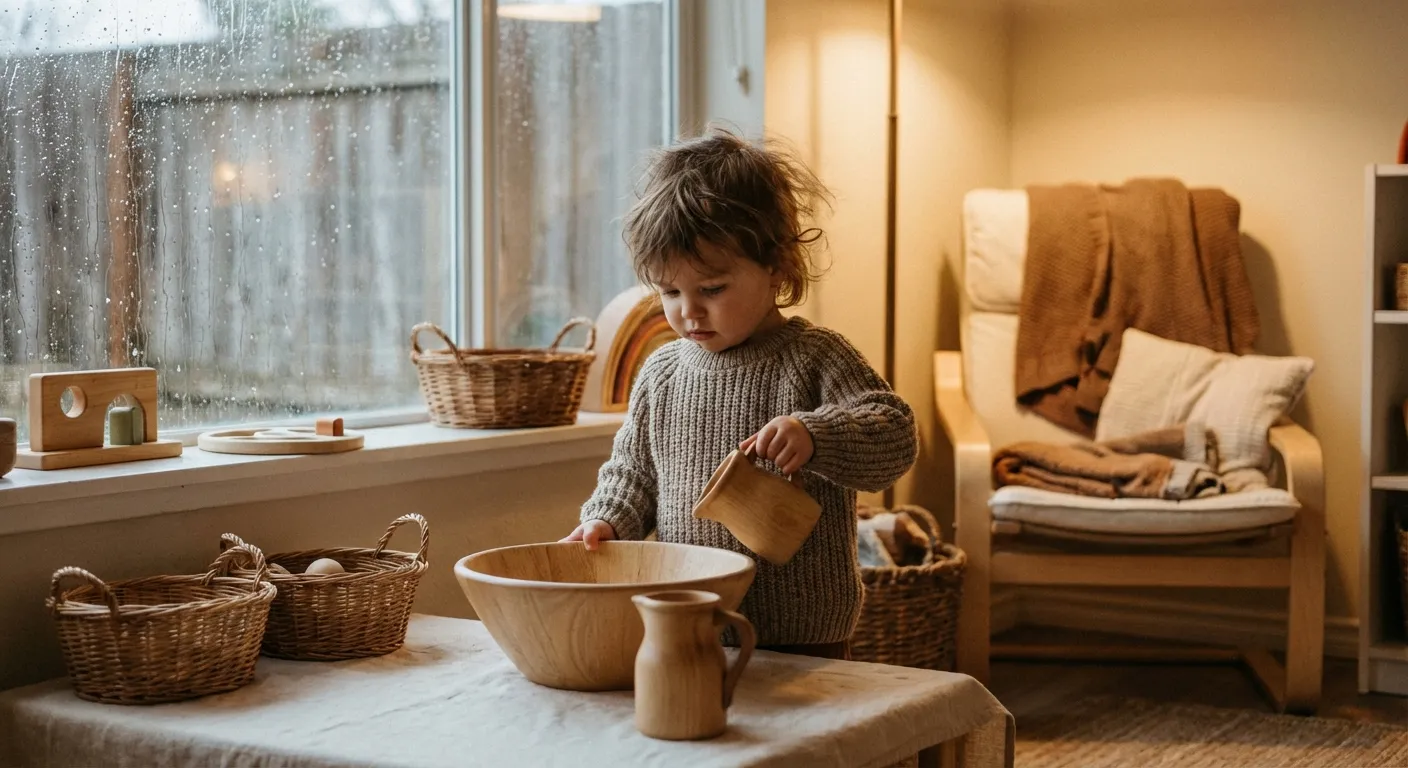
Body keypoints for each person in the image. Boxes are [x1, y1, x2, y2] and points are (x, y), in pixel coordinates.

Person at [561, 127, 918, 660]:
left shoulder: (816, 357)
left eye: (712, 289)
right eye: (670, 292)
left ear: (775, 267)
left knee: (807, 741)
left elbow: (894, 434)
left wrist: (816, 435)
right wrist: (607, 519)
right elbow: (633, 473)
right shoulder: (661, 373)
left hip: (804, 630)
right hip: (690, 615)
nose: (688, 311)